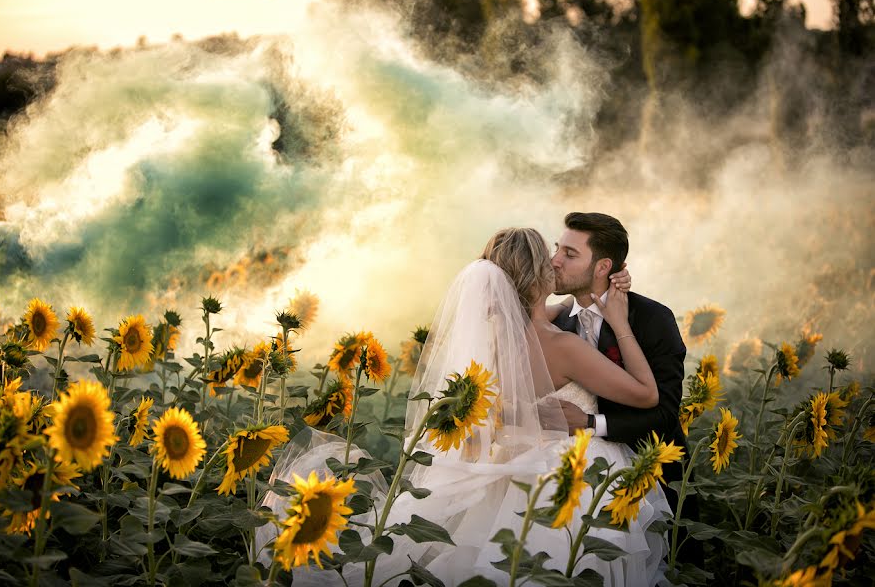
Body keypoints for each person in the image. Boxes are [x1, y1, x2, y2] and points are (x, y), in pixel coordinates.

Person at [258, 227, 671, 586]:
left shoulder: (493, 334)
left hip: (506, 467)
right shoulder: (563, 347)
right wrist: (618, 321)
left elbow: (545, 314)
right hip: (567, 471)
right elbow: (645, 395)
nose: (556, 263)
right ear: (536, 276)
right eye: (549, 257)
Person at [548, 212, 700, 568]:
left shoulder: (652, 318)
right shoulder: (557, 319)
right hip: (577, 483)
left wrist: (589, 422)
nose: (555, 260)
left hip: (650, 479)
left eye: (570, 254)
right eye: (558, 249)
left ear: (602, 267)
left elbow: (664, 413)